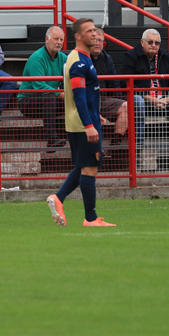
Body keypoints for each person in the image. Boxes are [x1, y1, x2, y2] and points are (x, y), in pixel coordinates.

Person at [45, 18, 115, 228]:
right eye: (89, 31)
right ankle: (90, 218)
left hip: (86, 120)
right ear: (78, 36)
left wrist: (95, 116)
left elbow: (87, 96)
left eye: (95, 30)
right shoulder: (78, 61)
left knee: (85, 165)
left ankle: (58, 198)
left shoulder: (83, 58)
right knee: (90, 168)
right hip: (82, 124)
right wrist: (88, 124)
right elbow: (78, 96)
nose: (94, 34)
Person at [120, 29, 169, 147]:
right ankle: (139, 143)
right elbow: (126, 83)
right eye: (150, 42)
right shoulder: (131, 56)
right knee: (137, 101)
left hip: (164, 99)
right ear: (142, 42)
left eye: (157, 43)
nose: (153, 45)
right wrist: (148, 98)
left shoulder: (164, 55)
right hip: (144, 99)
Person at [17, 26, 67, 148]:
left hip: (50, 99)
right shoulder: (37, 58)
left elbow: (69, 80)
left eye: (61, 39)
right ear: (47, 39)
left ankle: (86, 142)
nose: (59, 42)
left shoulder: (64, 58)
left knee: (76, 101)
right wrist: (60, 94)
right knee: (50, 97)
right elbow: (39, 85)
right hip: (28, 101)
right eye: (56, 39)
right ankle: (52, 139)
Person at [91, 28, 128, 140]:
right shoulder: (80, 58)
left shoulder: (107, 58)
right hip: (86, 100)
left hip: (104, 99)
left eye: (100, 40)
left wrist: (118, 100)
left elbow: (115, 83)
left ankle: (117, 140)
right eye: (94, 40)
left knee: (127, 106)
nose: (97, 44)